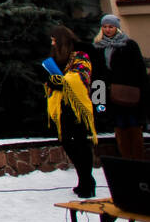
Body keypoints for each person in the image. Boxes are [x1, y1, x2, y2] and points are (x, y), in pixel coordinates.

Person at [46, 25, 97, 198]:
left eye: (54, 39)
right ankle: (84, 178)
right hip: (63, 105)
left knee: (82, 142)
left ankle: (86, 182)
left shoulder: (81, 52)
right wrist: (53, 82)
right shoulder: (56, 56)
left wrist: (62, 82)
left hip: (79, 104)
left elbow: (82, 75)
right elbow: (53, 78)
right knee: (67, 142)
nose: (52, 43)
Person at [93, 14, 147, 159]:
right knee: (120, 128)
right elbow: (97, 76)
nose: (108, 30)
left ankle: (138, 162)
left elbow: (139, 71)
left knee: (133, 128)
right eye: (104, 27)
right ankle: (127, 162)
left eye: (111, 27)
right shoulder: (98, 47)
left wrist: (143, 94)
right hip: (112, 96)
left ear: (117, 28)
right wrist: (99, 101)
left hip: (130, 95)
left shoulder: (129, 45)